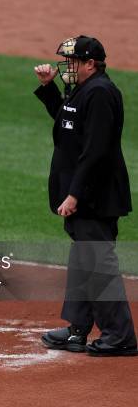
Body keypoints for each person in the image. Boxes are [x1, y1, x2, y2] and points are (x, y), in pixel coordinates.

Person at [34, 35, 137, 356]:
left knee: (97, 262)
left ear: (91, 63)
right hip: (87, 192)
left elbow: (96, 151)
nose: (68, 67)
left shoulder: (101, 93)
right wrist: (50, 88)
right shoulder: (84, 90)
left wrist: (75, 194)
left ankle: (120, 335)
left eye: (73, 62)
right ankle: (78, 329)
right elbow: (67, 125)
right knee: (84, 259)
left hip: (96, 194)